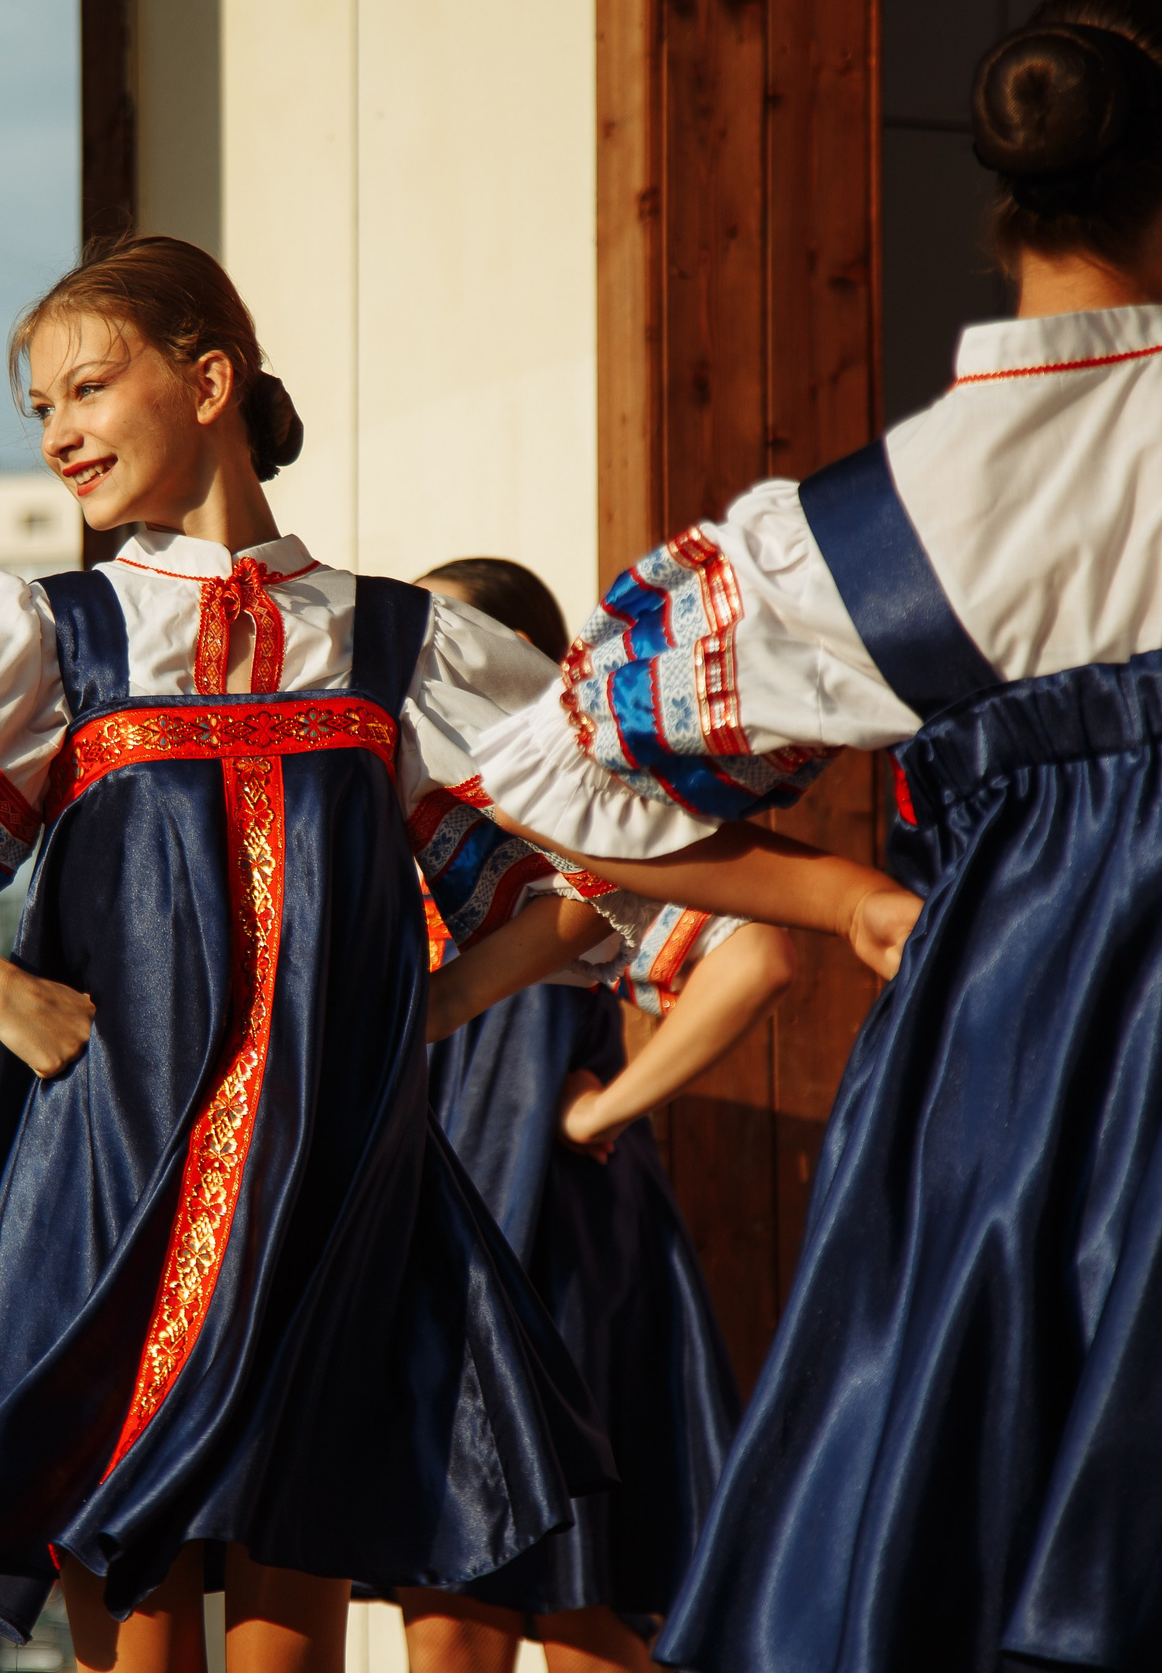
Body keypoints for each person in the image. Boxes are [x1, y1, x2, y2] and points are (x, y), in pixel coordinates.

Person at [471, 0, 1162, 1667]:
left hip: (964, 1146)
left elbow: (545, 767)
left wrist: (830, 889)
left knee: (951, 1587)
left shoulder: (860, 529)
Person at [0, 235, 624, 1673]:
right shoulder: (59, 633)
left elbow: (610, 835)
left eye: (87, 384)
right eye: (39, 407)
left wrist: (446, 995)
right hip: (115, 1180)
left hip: (336, 1184)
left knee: (294, 1652)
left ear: (209, 377)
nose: (59, 430)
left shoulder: (393, 637)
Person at [397, 560, 793, 1673]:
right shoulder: (423, 823)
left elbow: (753, 955)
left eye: (444, 642)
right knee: (539, 1605)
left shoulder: (562, 823)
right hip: (460, 1236)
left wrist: (599, 1110)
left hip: (539, 1241)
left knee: (510, 1603)